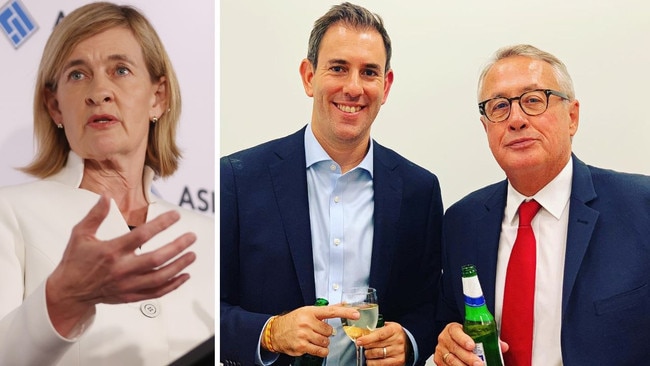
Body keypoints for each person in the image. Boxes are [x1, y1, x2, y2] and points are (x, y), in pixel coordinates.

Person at [220, 2, 443, 366]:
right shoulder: (236, 178)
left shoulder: (420, 190)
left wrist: (408, 341)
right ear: (309, 76)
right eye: (338, 68)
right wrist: (271, 332)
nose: (353, 88)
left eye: (369, 72)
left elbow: (429, 304)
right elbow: (208, 307)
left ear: (385, 86)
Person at [0, 2, 214, 365]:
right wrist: (60, 301)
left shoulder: (209, 236)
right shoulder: (10, 213)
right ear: (55, 107)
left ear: (157, 98)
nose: (99, 91)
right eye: (78, 75)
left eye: (121, 70)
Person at [433, 44, 650, 366]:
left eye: (534, 100)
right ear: (486, 128)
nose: (516, 119)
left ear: (572, 116)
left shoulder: (640, 207)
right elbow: (449, 321)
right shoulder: (463, 221)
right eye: (499, 106)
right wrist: (449, 341)